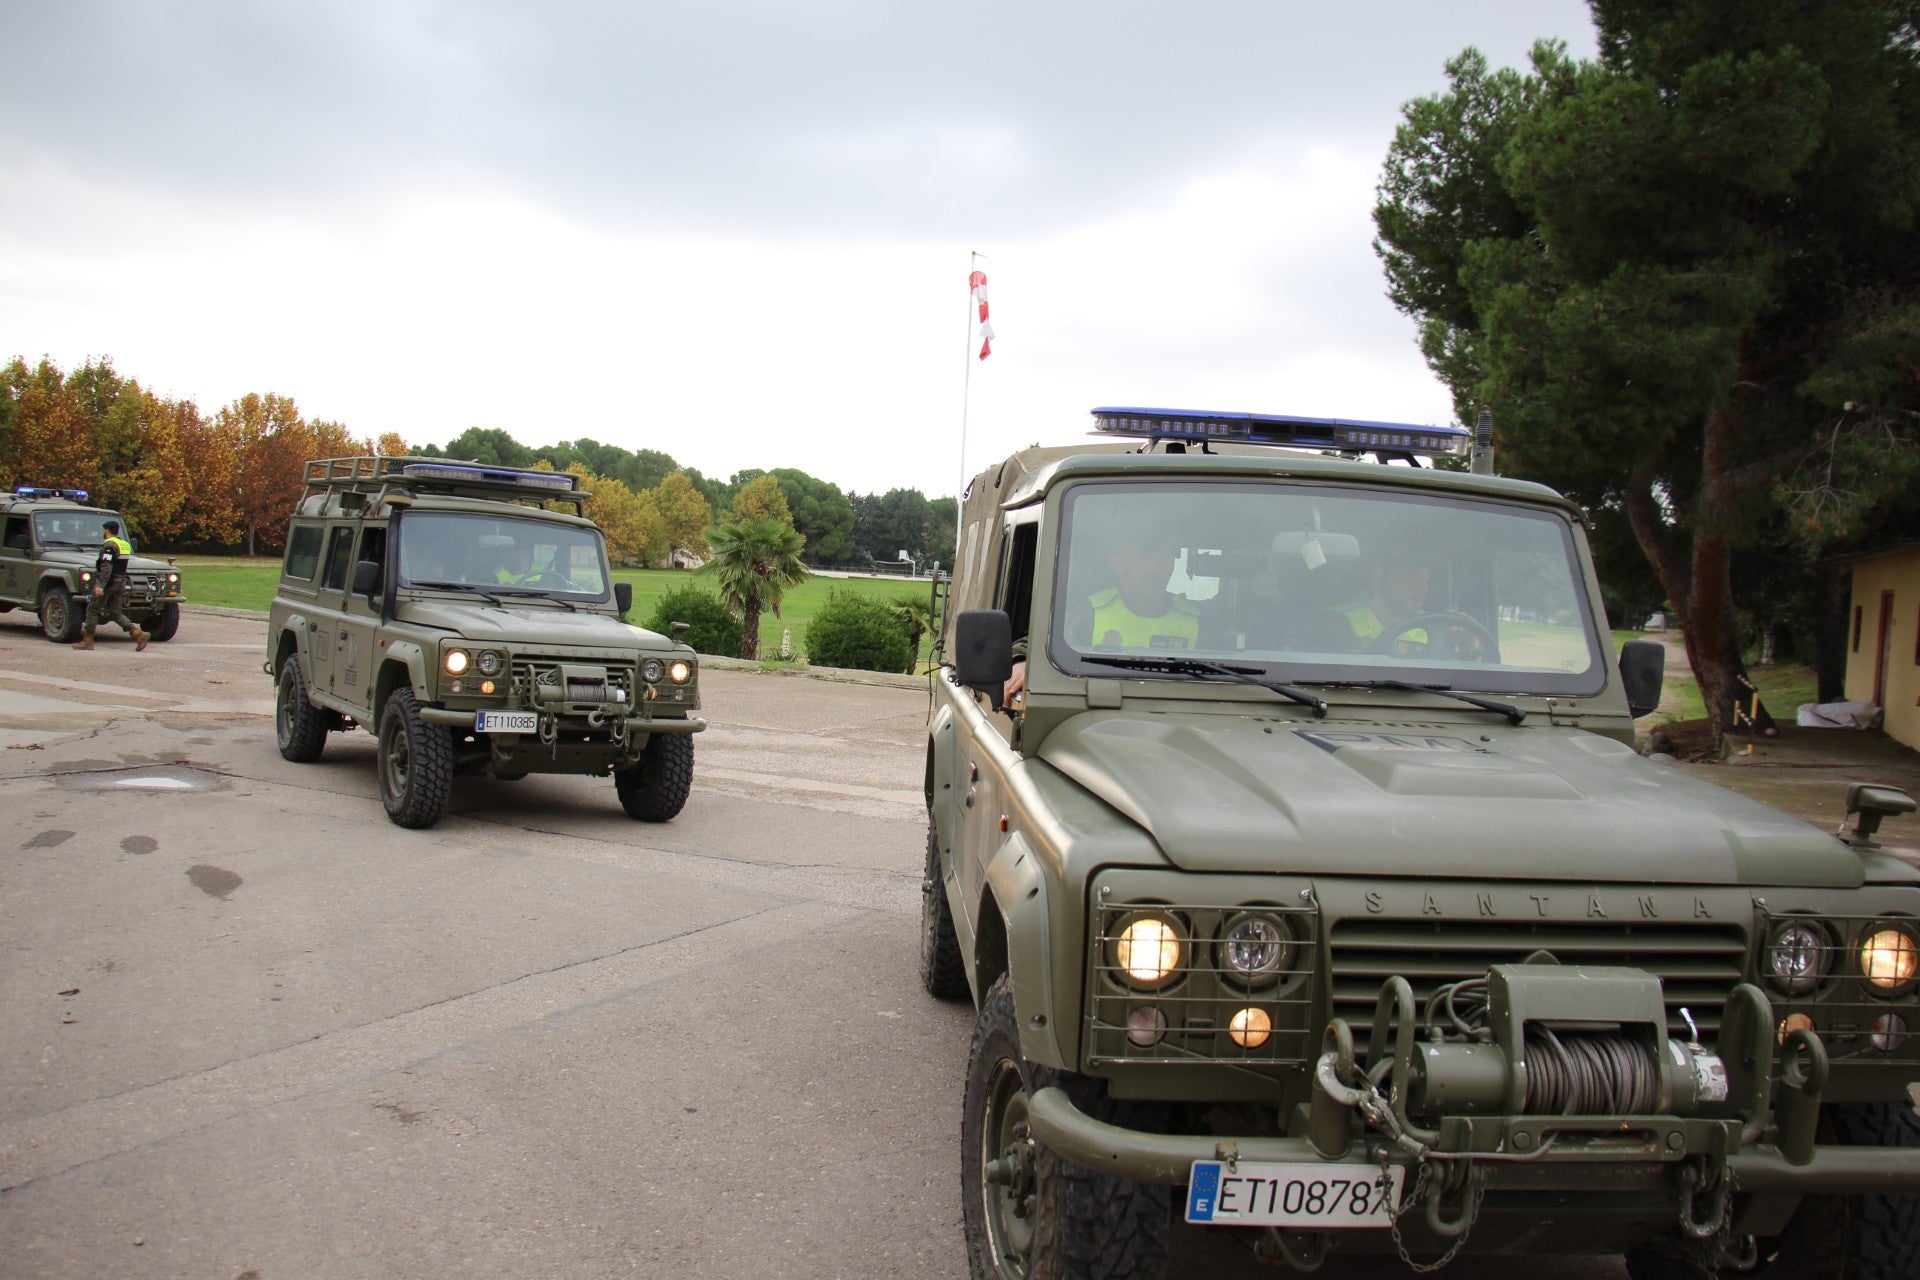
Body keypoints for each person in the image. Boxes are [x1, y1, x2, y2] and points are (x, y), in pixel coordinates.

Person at [1003, 522, 1198, 705]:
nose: (1158, 565)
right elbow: (1036, 645)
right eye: (1147, 555)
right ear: (1117, 564)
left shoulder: (1197, 619)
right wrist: (1021, 662)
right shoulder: (1089, 612)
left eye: (1166, 556)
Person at [75, 519, 148, 651]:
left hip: (110, 582)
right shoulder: (124, 544)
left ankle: (87, 641)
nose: (103, 532)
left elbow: (107, 567)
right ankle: (137, 634)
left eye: (104, 530)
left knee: (92, 609)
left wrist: (100, 586)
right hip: (121, 582)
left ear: (107, 530)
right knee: (114, 612)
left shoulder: (109, 545)